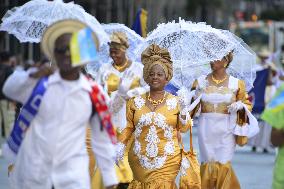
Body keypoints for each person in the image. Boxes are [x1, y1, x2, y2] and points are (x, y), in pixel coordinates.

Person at [2, 19, 118, 189]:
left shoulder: (94, 93)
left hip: (72, 177)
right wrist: (31, 75)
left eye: (72, 49)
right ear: (54, 54)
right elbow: (8, 89)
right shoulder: (39, 84)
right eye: (61, 50)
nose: (66, 54)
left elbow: (102, 139)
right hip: (35, 175)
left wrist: (109, 178)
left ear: (82, 53)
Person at [116, 44, 192, 188]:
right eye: (151, 74)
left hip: (168, 159)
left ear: (166, 78)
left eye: (159, 74)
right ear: (146, 77)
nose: (155, 77)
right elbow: (128, 127)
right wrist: (120, 145)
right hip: (139, 159)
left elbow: (184, 128)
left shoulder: (176, 101)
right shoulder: (135, 101)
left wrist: (183, 110)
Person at [190, 52, 258, 189]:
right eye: (210, 56)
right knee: (207, 162)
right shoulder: (200, 81)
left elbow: (247, 105)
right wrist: (188, 98)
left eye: (216, 57)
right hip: (206, 128)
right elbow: (191, 107)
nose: (212, 60)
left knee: (224, 162)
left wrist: (240, 106)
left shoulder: (237, 83)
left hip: (227, 128)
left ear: (226, 61)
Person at [93, 32, 148, 189]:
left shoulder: (138, 69)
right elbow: (97, 93)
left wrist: (134, 92)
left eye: (116, 51)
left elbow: (149, 88)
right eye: (111, 51)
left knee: (129, 163)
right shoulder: (104, 69)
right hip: (111, 118)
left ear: (124, 50)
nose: (113, 55)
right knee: (111, 162)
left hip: (132, 119)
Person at [0, 51, 15, 155]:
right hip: (6, 100)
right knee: (8, 124)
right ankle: (7, 149)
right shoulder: (10, 70)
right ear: (9, 59)